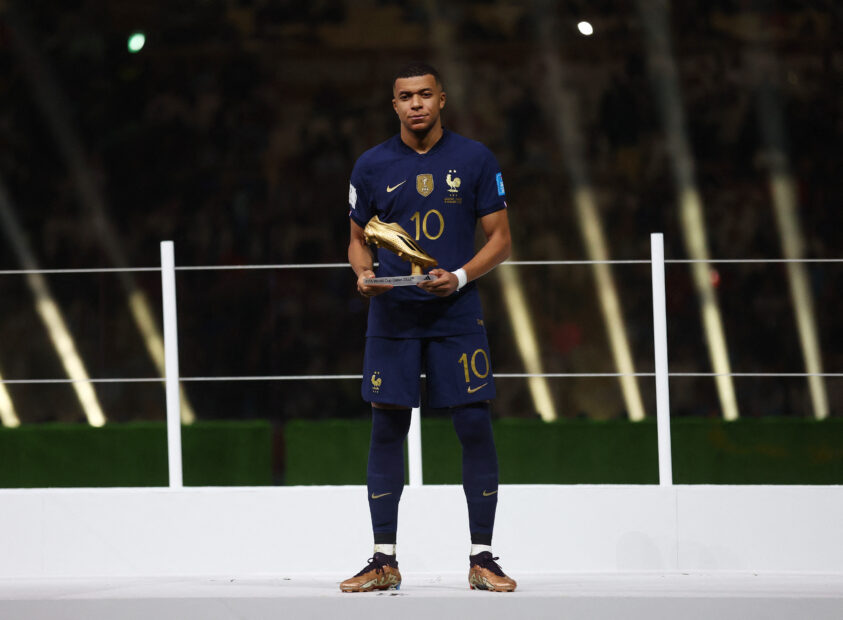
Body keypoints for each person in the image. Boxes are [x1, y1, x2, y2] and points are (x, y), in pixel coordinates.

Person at [342, 62, 516, 593]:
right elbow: (357, 239)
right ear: (393, 105)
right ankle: (383, 560)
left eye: (424, 94)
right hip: (392, 315)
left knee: (473, 425)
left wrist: (460, 276)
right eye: (405, 96)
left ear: (442, 99)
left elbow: (501, 239)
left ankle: (483, 558)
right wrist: (363, 274)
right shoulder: (370, 165)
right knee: (387, 429)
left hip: (455, 313)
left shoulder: (475, 158)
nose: (415, 104)